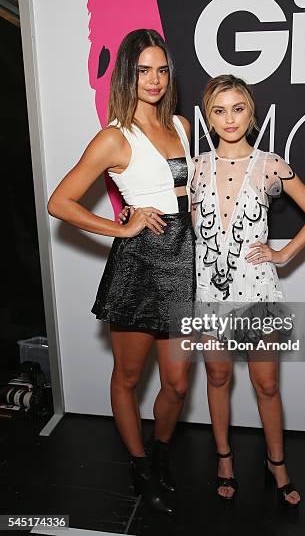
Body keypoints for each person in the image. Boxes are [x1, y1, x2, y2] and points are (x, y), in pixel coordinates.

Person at [48, 29, 196, 515]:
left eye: (161, 69)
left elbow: (189, 197)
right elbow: (60, 203)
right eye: (142, 70)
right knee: (129, 376)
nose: (153, 80)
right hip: (139, 265)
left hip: (184, 259)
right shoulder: (115, 136)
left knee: (176, 382)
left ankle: (159, 454)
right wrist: (123, 227)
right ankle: (139, 466)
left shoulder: (180, 124)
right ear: (128, 75)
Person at [191, 74, 305, 506]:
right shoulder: (195, 167)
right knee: (217, 376)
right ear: (208, 118)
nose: (229, 118)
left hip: (259, 291)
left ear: (251, 113)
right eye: (219, 110)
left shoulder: (270, 164)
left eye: (237, 108)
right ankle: (225, 458)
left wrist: (282, 254)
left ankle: (277, 462)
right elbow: (183, 226)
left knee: (266, 383)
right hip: (210, 292)